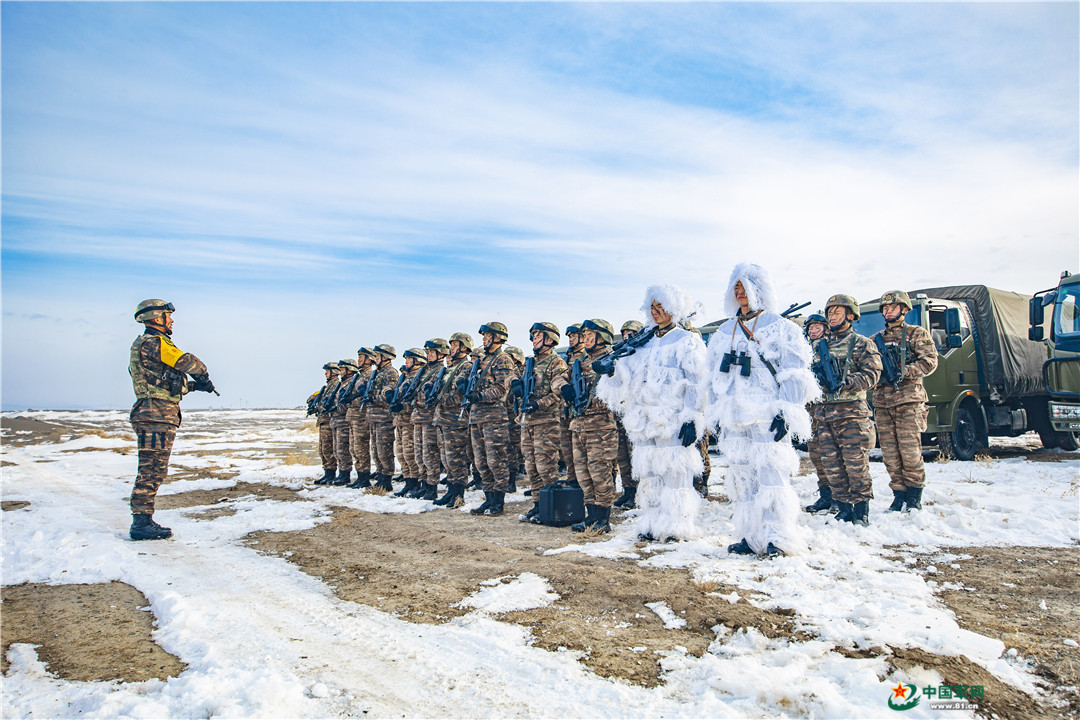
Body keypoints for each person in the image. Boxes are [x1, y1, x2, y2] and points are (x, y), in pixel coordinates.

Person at [703, 264, 821, 557]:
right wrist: (715, 414)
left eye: (746, 286)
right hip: (735, 418)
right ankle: (751, 536)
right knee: (743, 478)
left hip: (767, 414)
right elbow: (714, 378)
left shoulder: (782, 328)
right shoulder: (724, 331)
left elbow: (794, 373)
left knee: (771, 478)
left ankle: (778, 538)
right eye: (736, 287)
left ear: (760, 289)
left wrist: (787, 411)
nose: (740, 292)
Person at [596, 287, 707, 542]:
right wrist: (610, 370)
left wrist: (692, 417)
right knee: (650, 476)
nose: (656, 312)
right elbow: (626, 380)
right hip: (645, 422)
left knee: (675, 476)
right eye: (652, 307)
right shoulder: (642, 343)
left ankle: (677, 527)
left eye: (662, 307)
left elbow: (697, 382)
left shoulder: (687, 341)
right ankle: (653, 523)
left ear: (675, 308)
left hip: (673, 421)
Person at [127, 299, 216, 540]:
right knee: (151, 468)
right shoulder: (154, 342)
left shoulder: (147, 345)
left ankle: (143, 518)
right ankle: (141, 522)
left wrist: (196, 387)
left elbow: (165, 381)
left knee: (155, 467)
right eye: (168, 315)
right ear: (157, 318)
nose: (172, 320)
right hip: (155, 413)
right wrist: (203, 373)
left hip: (156, 412)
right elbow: (187, 361)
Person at [812, 294, 882, 526]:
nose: (832, 316)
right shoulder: (820, 346)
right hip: (824, 415)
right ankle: (843, 507)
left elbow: (873, 374)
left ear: (850, 315)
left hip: (852, 414)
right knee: (832, 465)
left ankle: (861, 510)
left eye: (837, 312)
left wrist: (847, 381)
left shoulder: (862, 343)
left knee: (855, 464)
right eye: (829, 312)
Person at [871, 290, 938, 512]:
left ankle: (914, 496)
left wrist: (905, 371)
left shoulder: (916, 334)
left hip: (909, 400)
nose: (888, 311)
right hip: (883, 402)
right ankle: (898, 494)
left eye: (893, 307)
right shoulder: (876, 340)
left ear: (904, 310)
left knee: (910, 451)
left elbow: (929, 362)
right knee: (890, 453)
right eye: (885, 308)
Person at [565, 319, 619, 533]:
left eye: (590, 336)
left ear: (602, 338)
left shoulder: (614, 360)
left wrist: (611, 372)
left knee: (600, 473)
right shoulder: (579, 362)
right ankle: (591, 515)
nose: (585, 340)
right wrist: (563, 388)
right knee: (583, 472)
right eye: (584, 337)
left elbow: (624, 386)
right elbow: (559, 379)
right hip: (578, 425)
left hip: (601, 426)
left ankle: (603, 518)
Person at [517, 322, 569, 523]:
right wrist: (514, 382)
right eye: (533, 336)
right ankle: (538, 505)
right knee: (531, 466)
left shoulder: (556, 363)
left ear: (549, 339)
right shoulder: (531, 363)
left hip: (546, 421)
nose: (534, 340)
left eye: (538, 336)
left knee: (545, 465)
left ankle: (552, 507)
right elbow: (515, 378)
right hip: (528, 421)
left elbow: (557, 394)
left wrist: (538, 404)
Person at [467, 322, 517, 517]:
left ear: (498, 337)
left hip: (494, 418)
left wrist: (480, 396)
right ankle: (488, 499)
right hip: (477, 417)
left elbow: (501, 388)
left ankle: (498, 501)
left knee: (496, 460)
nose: (484, 339)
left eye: (488, 336)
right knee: (481, 462)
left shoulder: (502, 360)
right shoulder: (483, 360)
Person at [432, 332, 475, 508]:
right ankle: (450, 491)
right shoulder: (449, 368)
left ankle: (458, 494)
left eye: (455, 345)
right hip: (442, 419)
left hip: (455, 421)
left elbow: (459, 396)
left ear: (464, 347)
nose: (452, 348)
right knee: (446, 459)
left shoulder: (467, 367)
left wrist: (440, 399)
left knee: (456, 459)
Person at [801, 314, 836, 513]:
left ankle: (840, 496)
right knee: (816, 453)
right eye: (810, 328)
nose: (813, 330)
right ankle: (825, 495)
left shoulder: (831, 347)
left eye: (817, 327)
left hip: (829, 407)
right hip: (811, 409)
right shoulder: (805, 351)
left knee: (833, 454)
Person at [409, 338, 449, 500]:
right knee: (419, 454)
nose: (429, 355)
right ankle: (423, 483)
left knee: (429, 454)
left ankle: (431, 487)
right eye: (428, 353)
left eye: (432, 352)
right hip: (418, 417)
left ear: (441, 354)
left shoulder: (442, 371)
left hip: (430, 418)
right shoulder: (425, 371)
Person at [613, 320, 643, 509]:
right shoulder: (620, 356)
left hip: (637, 414)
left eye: (631, 333)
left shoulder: (642, 355)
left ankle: (639, 493)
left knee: (636, 455)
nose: (627, 336)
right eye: (624, 333)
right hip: (620, 413)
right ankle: (628, 490)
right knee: (622, 455)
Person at [392, 349, 427, 495]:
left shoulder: (420, 377)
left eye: (409, 359)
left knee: (410, 454)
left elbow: (418, 400)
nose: (406, 361)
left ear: (418, 361)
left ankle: (415, 483)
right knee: (401, 454)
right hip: (400, 420)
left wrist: (403, 406)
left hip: (409, 421)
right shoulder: (407, 377)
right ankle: (408, 481)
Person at [365, 345, 400, 491]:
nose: (375, 359)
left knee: (384, 450)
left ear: (386, 357)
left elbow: (389, 395)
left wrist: (373, 399)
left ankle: (386, 479)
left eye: (378, 356)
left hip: (384, 418)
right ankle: (380, 475)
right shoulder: (376, 374)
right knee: (375, 450)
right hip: (373, 417)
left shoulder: (391, 373)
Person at [560, 322, 587, 487]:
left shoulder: (586, 356)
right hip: (565, 411)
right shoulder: (565, 358)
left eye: (574, 336)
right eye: (569, 337)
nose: (570, 339)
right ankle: (572, 481)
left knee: (584, 453)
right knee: (567, 451)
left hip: (582, 411)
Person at [346, 348, 376, 488]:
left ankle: (364, 477)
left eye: (361, 358)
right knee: (354, 448)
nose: (359, 360)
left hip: (362, 417)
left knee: (361, 447)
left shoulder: (370, 375)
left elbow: (367, 396)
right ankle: (360, 476)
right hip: (353, 417)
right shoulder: (359, 376)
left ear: (369, 359)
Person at [329, 358, 358, 485]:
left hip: (344, 420)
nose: (340, 372)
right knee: (337, 450)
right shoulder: (342, 384)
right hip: (338, 420)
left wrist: (339, 406)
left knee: (344, 449)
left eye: (342, 369)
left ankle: (345, 474)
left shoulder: (352, 382)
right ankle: (341, 473)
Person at [312, 362, 340, 485]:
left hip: (329, 421)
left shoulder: (336, 385)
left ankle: (331, 474)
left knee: (329, 449)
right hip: (323, 421)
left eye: (328, 371)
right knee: (323, 449)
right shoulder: (327, 386)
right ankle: (327, 472)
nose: (325, 374)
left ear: (334, 372)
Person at [504, 345, 527, 493]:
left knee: (514, 447)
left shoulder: (523, 371)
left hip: (516, 414)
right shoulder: (509, 374)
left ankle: (513, 479)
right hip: (505, 413)